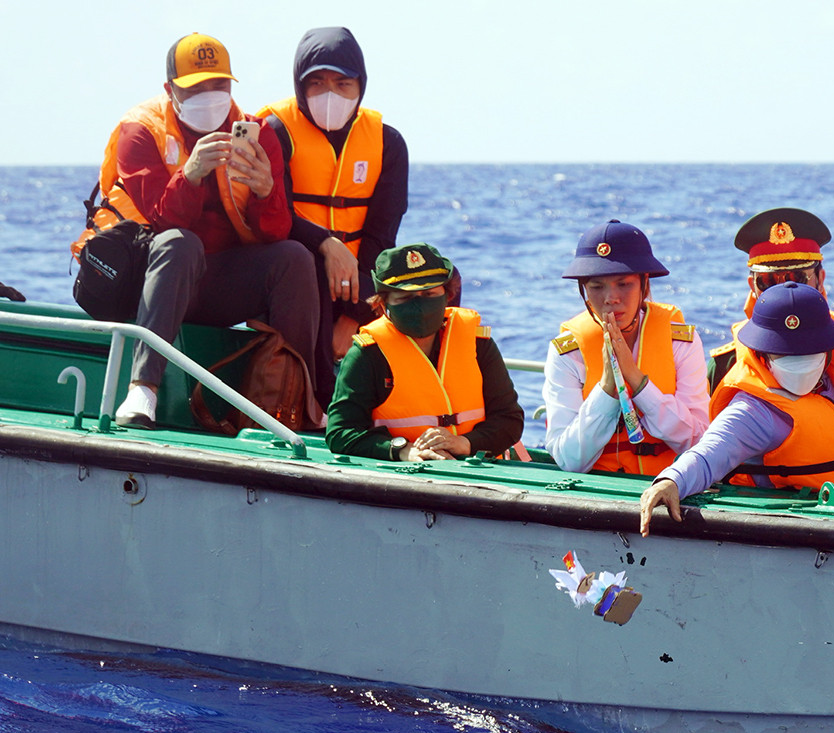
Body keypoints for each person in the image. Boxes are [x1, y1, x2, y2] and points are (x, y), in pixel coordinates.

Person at [80, 32, 320, 430]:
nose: (210, 95)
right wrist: (189, 176)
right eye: (196, 88)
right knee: (180, 243)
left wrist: (265, 191)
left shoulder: (257, 134)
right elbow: (159, 225)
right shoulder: (141, 132)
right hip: (146, 284)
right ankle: (143, 389)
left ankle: (291, 400)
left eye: (219, 85)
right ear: (170, 89)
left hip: (215, 284)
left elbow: (276, 232)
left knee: (294, 257)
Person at [640, 282, 834, 535]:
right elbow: (708, 455)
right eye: (784, 351)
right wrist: (671, 481)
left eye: (808, 349)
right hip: (810, 524)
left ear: (827, 347)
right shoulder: (755, 410)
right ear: (762, 353)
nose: (798, 359)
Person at [260, 27, 409, 405]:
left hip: (359, 279)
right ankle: (318, 401)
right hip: (294, 271)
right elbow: (273, 213)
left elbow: (382, 234)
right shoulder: (275, 131)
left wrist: (354, 315)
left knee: (434, 278)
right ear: (299, 85)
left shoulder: (387, 142)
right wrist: (326, 245)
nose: (331, 94)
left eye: (343, 83)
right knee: (306, 263)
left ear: (360, 86)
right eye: (317, 83)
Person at [325, 242, 523, 461]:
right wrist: (402, 450)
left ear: (447, 296)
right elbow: (341, 433)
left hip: (481, 469)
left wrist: (465, 443)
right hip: (404, 476)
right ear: (383, 305)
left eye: (429, 295)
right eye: (405, 298)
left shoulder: (478, 343)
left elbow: (510, 419)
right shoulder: (367, 353)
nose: (419, 306)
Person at [544, 220, 710, 475]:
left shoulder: (681, 342)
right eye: (596, 287)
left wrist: (638, 382)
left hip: (669, 483)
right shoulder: (567, 352)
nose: (611, 298)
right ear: (584, 290)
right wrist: (608, 389)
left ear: (645, 284)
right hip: (598, 488)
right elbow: (568, 460)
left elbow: (698, 441)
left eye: (624, 284)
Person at [708, 207, 834, 411]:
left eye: (797, 279)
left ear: (820, 279)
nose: (784, 292)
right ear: (752, 286)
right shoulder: (726, 364)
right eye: (768, 281)